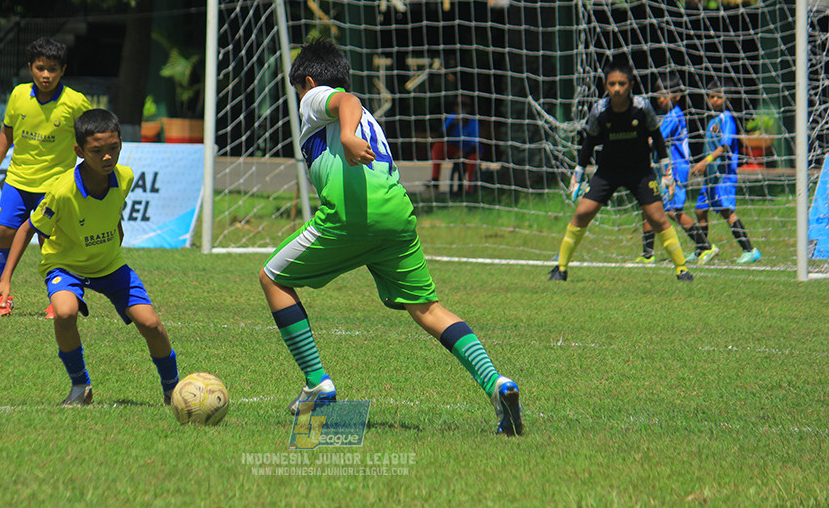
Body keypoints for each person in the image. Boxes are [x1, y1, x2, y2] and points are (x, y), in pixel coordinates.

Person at [259, 39, 523, 436]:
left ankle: (317, 381)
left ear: (309, 82)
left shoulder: (315, 98)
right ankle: (496, 383)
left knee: (272, 278)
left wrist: (346, 136)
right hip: (397, 214)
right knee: (429, 309)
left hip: (354, 215)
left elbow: (345, 100)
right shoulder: (372, 120)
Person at [0, 109, 179, 406]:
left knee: (151, 324)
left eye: (113, 148)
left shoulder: (125, 177)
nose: (107, 157)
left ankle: (174, 389)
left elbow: (112, 209)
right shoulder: (62, 191)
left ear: (120, 144)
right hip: (65, 265)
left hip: (109, 264)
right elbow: (29, 227)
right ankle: (81, 386)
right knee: (65, 312)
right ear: (79, 151)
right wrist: (5, 280)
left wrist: (116, 230)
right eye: (97, 151)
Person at [549, 59, 693, 282]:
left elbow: (657, 138)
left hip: (640, 171)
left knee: (658, 218)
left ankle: (682, 270)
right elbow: (589, 143)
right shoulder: (600, 111)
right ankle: (561, 269)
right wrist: (578, 172)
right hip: (608, 171)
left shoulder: (642, 108)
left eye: (622, 84)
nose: (617, 88)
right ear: (606, 85)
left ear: (631, 85)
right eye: (612, 83)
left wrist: (667, 172)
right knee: (582, 213)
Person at [0, 37, 90, 318]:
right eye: (40, 68)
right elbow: (6, 133)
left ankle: (59, 299)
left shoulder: (75, 102)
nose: (46, 75)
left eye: (53, 69)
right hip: (17, 180)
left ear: (62, 70)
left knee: (50, 242)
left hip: (54, 186)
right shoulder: (18, 95)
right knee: (4, 233)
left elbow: (94, 133)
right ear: (30, 67)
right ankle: (1, 295)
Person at [636, 74, 715, 264]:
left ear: (677, 95)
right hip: (662, 169)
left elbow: (655, 138)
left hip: (676, 170)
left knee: (673, 211)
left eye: (665, 94)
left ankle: (706, 247)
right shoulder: (663, 115)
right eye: (658, 94)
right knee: (647, 206)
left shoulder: (675, 114)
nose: (660, 99)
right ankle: (647, 254)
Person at [689, 82, 761, 263]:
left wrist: (705, 162)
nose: (714, 100)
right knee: (700, 210)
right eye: (711, 96)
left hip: (724, 175)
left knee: (726, 211)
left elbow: (724, 146)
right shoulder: (713, 120)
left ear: (727, 99)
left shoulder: (727, 118)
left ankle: (750, 250)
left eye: (718, 96)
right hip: (711, 177)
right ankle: (702, 249)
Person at [428, 95, 480, 194]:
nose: (460, 108)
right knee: (438, 146)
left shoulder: (473, 122)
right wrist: (453, 124)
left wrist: (463, 153)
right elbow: (441, 136)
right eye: (457, 105)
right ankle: (435, 181)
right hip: (454, 149)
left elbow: (475, 145)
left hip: (468, 151)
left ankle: (469, 189)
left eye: (463, 105)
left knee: (473, 158)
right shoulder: (451, 118)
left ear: (469, 108)